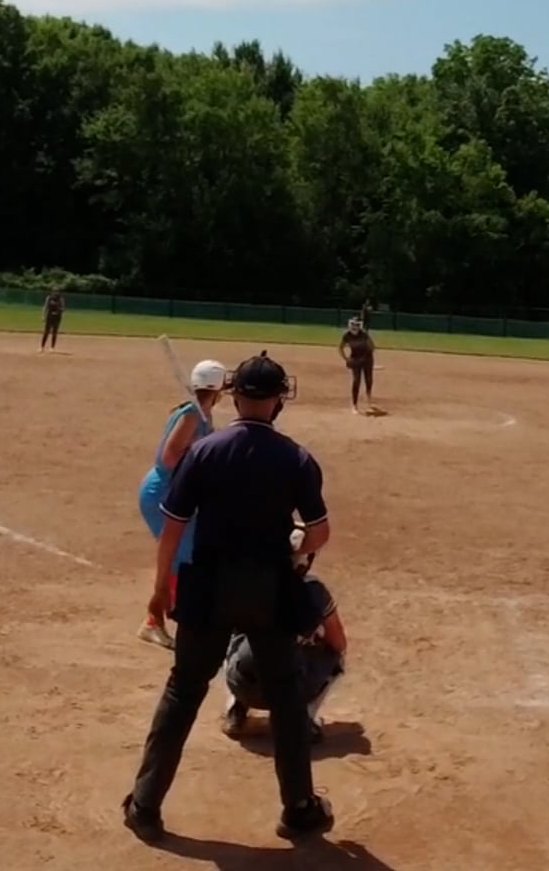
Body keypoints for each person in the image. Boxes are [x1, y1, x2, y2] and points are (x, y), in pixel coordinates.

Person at [122, 351, 335, 843]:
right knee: (285, 697)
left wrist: (159, 590)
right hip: (270, 591)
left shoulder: (204, 451)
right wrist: (295, 546)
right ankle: (299, 809)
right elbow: (319, 532)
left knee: (183, 692)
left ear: (235, 396)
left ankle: (145, 805)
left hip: (207, 588)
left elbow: (173, 529)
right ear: (279, 400)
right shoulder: (296, 458)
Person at [221, 525, 347, 744]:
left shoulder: (248, 579)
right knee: (337, 656)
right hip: (288, 692)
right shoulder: (313, 590)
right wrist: (311, 638)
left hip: (241, 682)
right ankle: (303, 720)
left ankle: (236, 708)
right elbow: (338, 643)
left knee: (228, 637)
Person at [134, 358, 227, 648]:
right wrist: (201, 455)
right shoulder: (192, 415)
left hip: (173, 492)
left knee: (185, 553)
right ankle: (159, 621)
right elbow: (169, 457)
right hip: (163, 493)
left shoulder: (201, 413)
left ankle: (159, 619)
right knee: (181, 556)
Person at [339, 315, 375, 414]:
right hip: (355, 360)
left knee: (368, 380)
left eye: (357, 325)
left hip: (367, 359)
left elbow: (372, 347)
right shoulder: (347, 335)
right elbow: (340, 348)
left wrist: (366, 356)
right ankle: (354, 405)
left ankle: (369, 400)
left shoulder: (364, 335)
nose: (354, 326)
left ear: (360, 326)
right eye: (353, 324)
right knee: (356, 381)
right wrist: (346, 358)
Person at [39, 287, 65, 353]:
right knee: (46, 332)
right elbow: (45, 307)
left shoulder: (60, 299)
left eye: (57, 291)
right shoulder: (49, 298)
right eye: (54, 291)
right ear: (52, 292)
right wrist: (43, 316)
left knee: (54, 332)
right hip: (49, 316)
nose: (55, 293)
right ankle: (42, 347)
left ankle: (52, 347)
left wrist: (59, 311)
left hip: (57, 317)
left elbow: (63, 308)